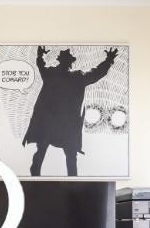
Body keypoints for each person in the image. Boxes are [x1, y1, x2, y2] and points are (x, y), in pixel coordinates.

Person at [22, 46, 119, 176]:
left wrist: (108, 61)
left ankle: (69, 181)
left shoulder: (65, 76)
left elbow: (96, 74)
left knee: (65, 155)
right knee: (52, 153)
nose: (65, 62)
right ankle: (39, 179)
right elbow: (96, 74)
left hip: (62, 125)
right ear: (68, 62)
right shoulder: (66, 76)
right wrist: (108, 60)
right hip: (54, 124)